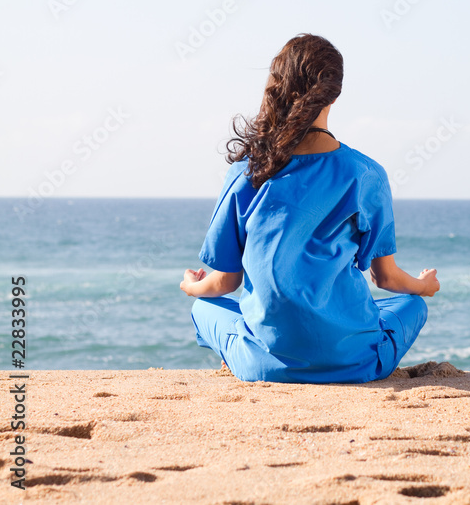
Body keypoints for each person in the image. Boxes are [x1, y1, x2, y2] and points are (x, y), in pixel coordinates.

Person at [180, 33, 439, 383]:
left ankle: (248, 355)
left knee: (204, 307)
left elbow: (225, 282)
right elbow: (385, 278)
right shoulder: (366, 174)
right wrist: (423, 286)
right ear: (335, 93)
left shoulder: (246, 173)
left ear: (277, 87)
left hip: (264, 367)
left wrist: (192, 286)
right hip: (355, 365)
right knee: (412, 304)